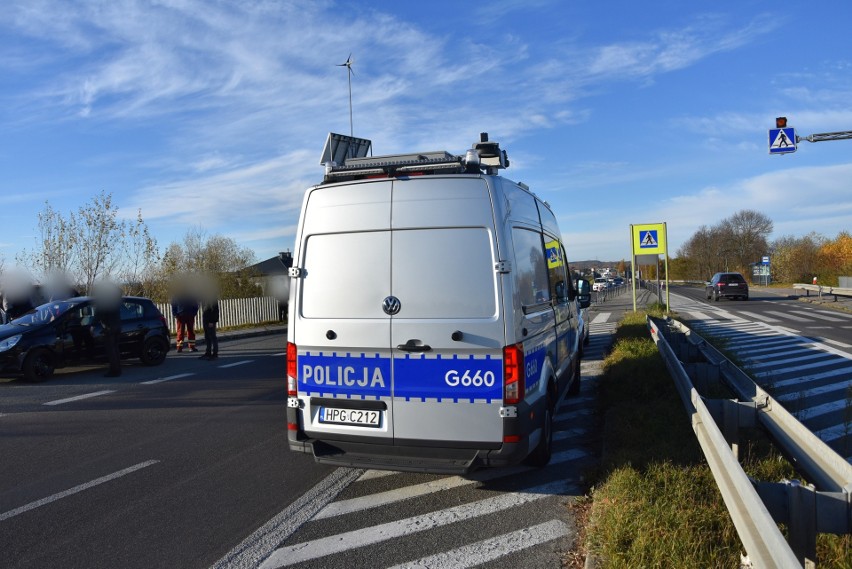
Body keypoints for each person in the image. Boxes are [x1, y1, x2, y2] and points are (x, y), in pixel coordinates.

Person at [94, 281, 123, 377]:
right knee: (115, 349)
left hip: (109, 327)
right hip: (117, 326)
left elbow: (99, 313)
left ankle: (114, 371)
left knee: (111, 350)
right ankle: (117, 369)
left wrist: (93, 324)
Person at [200, 295, 220, 360]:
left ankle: (215, 354)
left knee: (213, 337)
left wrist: (212, 321)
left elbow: (215, 310)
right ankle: (208, 353)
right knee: (207, 337)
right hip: (205, 319)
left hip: (210, 321)